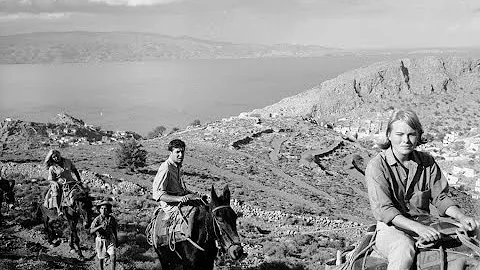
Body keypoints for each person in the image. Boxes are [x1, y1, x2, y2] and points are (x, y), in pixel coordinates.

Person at [365, 109, 480, 270]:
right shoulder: (377, 166)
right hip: (392, 229)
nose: (406, 140)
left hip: (425, 223)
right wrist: (418, 228)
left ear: (418, 136)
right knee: (403, 250)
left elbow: (440, 197)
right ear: (389, 135)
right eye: (399, 134)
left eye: (411, 134)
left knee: (473, 237)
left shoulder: (427, 162)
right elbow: (385, 210)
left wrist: (461, 217)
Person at [152, 139, 201, 214]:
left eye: (182, 152)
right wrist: (179, 198)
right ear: (170, 152)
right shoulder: (166, 168)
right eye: (177, 152)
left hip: (180, 201)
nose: (181, 155)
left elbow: (180, 189)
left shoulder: (177, 167)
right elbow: (158, 194)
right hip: (170, 206)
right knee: (194, 212)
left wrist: (196, 195)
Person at [43, 149, 83, 216]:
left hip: (71, 182)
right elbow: (50, 179)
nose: (56, 158)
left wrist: (79, 180)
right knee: (57, 192)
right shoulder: (52, 168)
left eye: (57, 156)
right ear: (51, 158)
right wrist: (55, 182)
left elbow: (75, 170)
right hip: (60, 184)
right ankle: (58, 209)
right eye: (54, 157)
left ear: (59, 154)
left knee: (83, 191)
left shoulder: (68, 161)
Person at [91, 200, 118, 270]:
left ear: (109, 210)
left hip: (110, 239)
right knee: (101, 257)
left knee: (113, 256)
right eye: (102, 208)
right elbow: (91, 231)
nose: (103, 210)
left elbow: (114, 230)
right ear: (99, 210)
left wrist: (116, 240)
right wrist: (100, 227)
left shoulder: (111, 219)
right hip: (100, 240)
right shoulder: (97, 219)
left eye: (105, 208)